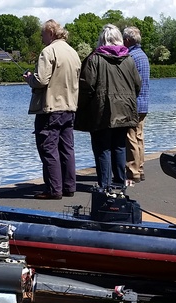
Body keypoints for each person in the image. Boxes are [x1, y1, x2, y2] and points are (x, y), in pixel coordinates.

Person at [74, 24, 141, 190]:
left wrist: (80, 107)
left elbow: (86, 87)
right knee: (119, 146)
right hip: (125, 109)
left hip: (102, 110)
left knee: (102, 147)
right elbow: (137, 85)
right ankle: (119, 181)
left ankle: (104, 184)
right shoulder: (129, 59)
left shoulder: (94, 58)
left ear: (102, 40)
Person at [22, 20, 81, 200]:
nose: (41, 38)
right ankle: (69, 187)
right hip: (70, 107)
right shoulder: (73, 52)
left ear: (50, 33)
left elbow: (41, 81)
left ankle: (54, 189)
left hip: (50, 108)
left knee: (48, 148)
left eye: (43, 34)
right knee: (67, 148)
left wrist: (29, 79)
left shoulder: (48, 52)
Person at [123, 26, 150, 185]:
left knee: (131, 138)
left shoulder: (131, 56)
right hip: (144, 103)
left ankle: (133, 172)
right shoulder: (143, 55)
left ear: (127, 40)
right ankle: (140, 169)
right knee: (139, 137)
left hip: (133, 103)